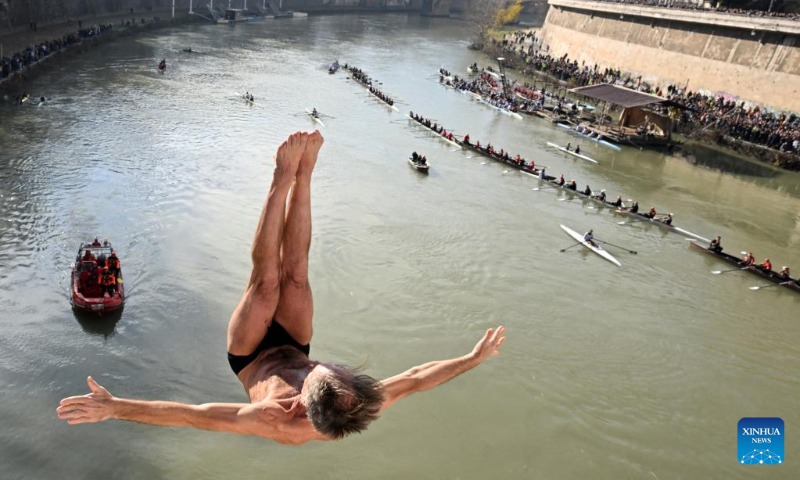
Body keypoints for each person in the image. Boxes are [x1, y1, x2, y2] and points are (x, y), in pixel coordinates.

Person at [57, 131, 506, 444]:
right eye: (336, 370)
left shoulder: (270, 419)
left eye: (321, 373)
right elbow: (415, 380)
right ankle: (305, 175)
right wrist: (472, 358)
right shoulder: (356, 403)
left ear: (300, 403)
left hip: (251, 356)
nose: (329, 366)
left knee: (266, 281)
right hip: (293, 342)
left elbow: (189, 416)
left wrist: (116, 407)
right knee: (295, 273)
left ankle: (280, 179)